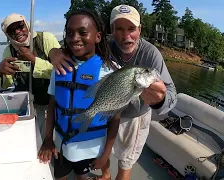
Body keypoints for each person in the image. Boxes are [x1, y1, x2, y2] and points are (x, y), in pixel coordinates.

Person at [47, 5, 177, 180]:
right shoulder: (104, 46)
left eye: (131, 29)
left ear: (140, 29)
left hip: (134, 117)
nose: (125, 36)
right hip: (106, 113)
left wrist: (159, 101)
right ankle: (105, 176)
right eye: (119, 29)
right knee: (103, 155)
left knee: (125, 162)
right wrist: (53, 52)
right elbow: (76, 47)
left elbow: (171, 95)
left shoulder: (151, 54)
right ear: (111, 31)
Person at [37, 9, 121, 180]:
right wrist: (48, 139)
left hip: (91, 146)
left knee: (81, 176)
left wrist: (105, 155)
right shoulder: (60, 66)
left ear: (97, 36)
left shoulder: (110, 71)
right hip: (61, 143)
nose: (74, 38)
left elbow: (115, 118)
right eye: (69, 33)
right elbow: (53, 104)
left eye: (83, 32)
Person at [0, 13, 61, 139]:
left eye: (20, 26)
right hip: (26, 104)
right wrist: (0, 71)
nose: (18, 32)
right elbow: (5, 85)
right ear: (7, 35)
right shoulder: (8, 51)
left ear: (27, 25)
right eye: (12, 30)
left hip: (51, 104)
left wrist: (33, 59)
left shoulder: (46, 39)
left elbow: (61, 72)